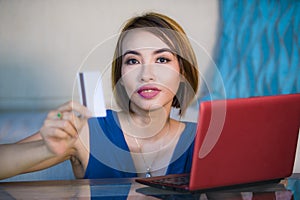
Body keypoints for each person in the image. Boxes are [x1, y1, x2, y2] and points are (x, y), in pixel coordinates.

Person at [0, 12, 199, 180]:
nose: (146, 74)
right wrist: (45, 150)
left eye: (162, 59)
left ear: (182, 72)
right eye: (133, 61)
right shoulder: (88, 130)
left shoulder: (202, 139)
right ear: (120, 74)